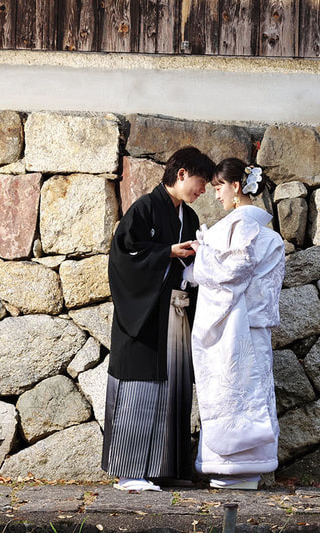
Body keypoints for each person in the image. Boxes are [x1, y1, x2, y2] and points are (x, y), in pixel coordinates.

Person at [103, 146, 215, 492]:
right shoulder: (146, 208)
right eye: (200, 181)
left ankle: (165, 468)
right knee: (142, 387)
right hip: (145, 316)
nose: (203, 190)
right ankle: (130, 471)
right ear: (181, 173)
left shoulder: (190, 218)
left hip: (176, 313)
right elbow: (124, 254)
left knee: (174, 386)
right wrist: (166, 252)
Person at [188, 158, 286, 490]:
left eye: (218, 188)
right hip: (255, 325)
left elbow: (232, 272)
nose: (215, 196)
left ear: (236, 187)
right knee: (252, 393)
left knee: (230, 392)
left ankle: (230, 465)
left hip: (233, 325)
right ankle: (250, 466)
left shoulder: (237, 227)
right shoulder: (268, 234)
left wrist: (202, 254)